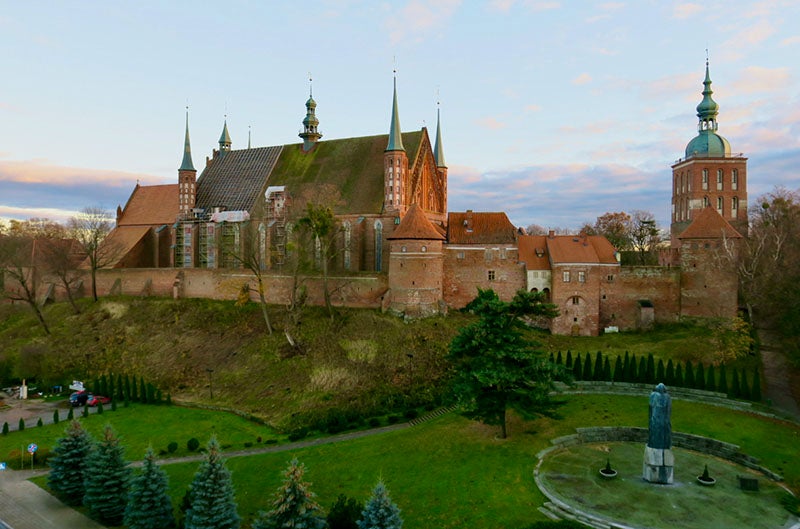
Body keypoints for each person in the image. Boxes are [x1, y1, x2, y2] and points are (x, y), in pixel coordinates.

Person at [647, 383, 672, 449]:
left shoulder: (654, 395)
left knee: (657, 432)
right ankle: (657, 444)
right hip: (659, 421)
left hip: (658, 421)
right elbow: (668, 411)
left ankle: (656, 444)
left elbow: (650, 409)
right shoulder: (667, 397)